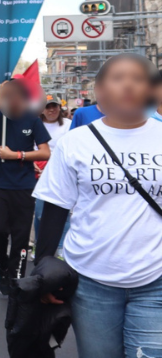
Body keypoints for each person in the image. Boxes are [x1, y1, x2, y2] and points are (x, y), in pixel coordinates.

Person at [33, 53, 162, 358]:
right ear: (100, 92)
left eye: (139, 79)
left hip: (155, 279)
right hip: (90, 282)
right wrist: (44, 272)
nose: (129, 85)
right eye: (118, 78)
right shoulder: (75, 143)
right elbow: (54, 209)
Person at [0, 80, 49, 295]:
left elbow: (45, 152)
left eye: (17, 95)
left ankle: (16, 277)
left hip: (24, 186)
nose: (13, 99)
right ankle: (3, 266)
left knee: (20, 236)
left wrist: (17, 155)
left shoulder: (33, 120)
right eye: (9, 95)